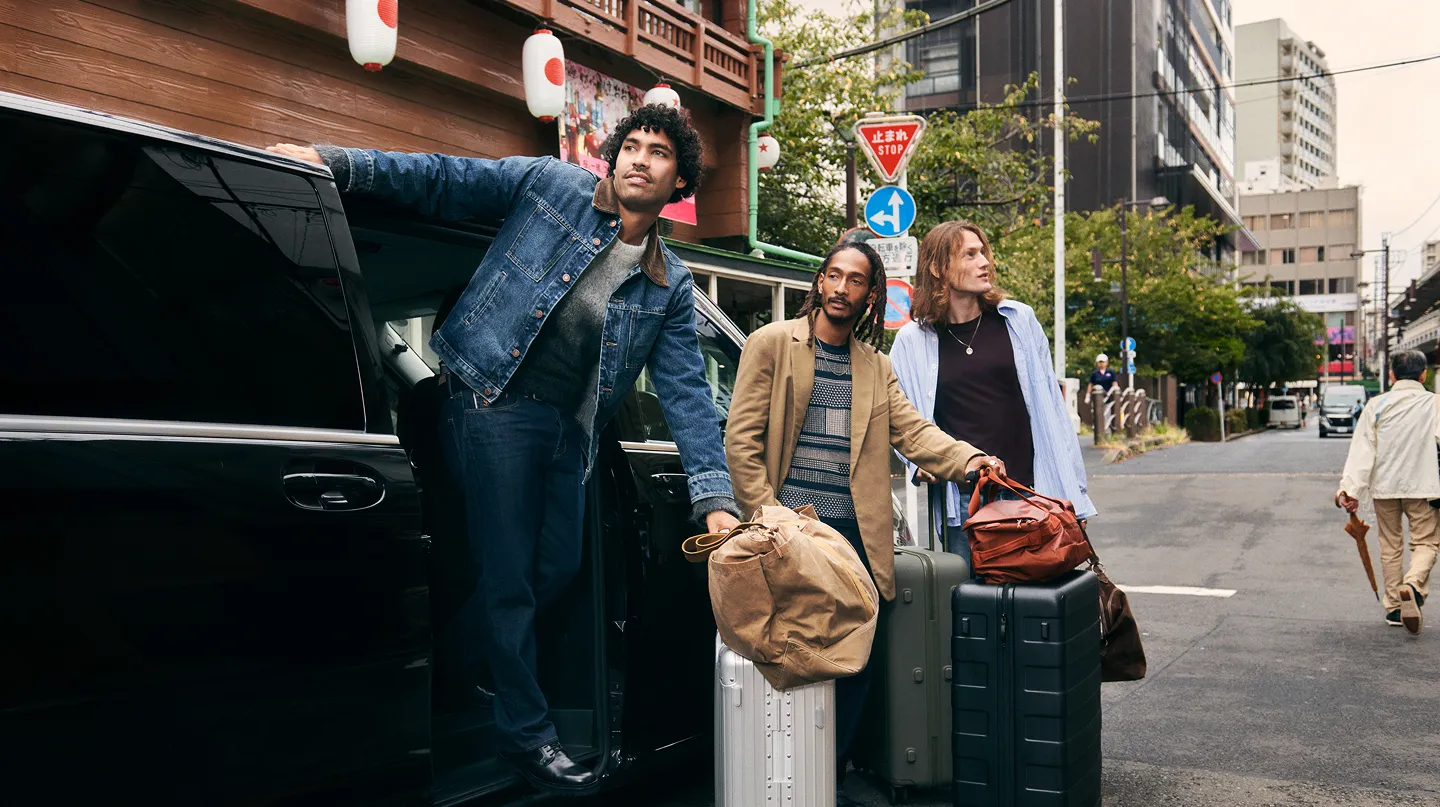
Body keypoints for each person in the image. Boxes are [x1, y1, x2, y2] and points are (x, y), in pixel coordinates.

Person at [267, 104, 743, 791]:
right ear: (614, 157)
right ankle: (526, 733)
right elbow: (442, 179)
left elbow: (688, 395)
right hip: (493, 397)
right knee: (511, 575)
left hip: (568, 429)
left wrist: (714, 499)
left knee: (557, 565)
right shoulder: (553, 186)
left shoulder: (668, 283)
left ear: (680, 181)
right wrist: (338, 163)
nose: (640, 159)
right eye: (632, 146)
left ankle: (455, 672)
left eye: (659, 153)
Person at [724, 241, 1005, 807]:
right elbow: (741, 440)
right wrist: (766, 516)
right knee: (788, 657)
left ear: (870, 295)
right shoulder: (771, 343)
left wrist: (970, 459)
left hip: (853, 540)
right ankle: (782, 780)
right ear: (819, 282)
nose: (840, 288)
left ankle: (826, 776)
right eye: (834, 275)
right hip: (789, 534)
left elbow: (915, 432)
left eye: (855, 280)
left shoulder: (876, 367)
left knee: (855, 664)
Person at [890, 220, 1097, 563]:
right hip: (964, 503)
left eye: (983, 253)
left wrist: (1074, 495)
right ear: (938, 268)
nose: (984, 262)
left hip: (1031, 494)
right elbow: (903, 420)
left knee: (1036, 593)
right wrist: (918, 464)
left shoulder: (1018, 321)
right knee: (971, 595)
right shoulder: (913, 341)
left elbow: (1053, 413)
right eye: (970, 255)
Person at [1336, 350, 1440, 635]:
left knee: (1390, 545)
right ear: (1423, 375)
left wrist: (1350, 490)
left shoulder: (1376, 405)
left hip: (1385, 488)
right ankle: (1413, 586)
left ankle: (1395, 607)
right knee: (1427, 542)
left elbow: (1363, 450)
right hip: (1424, 486)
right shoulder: (1435, 404)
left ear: (1392, 375)